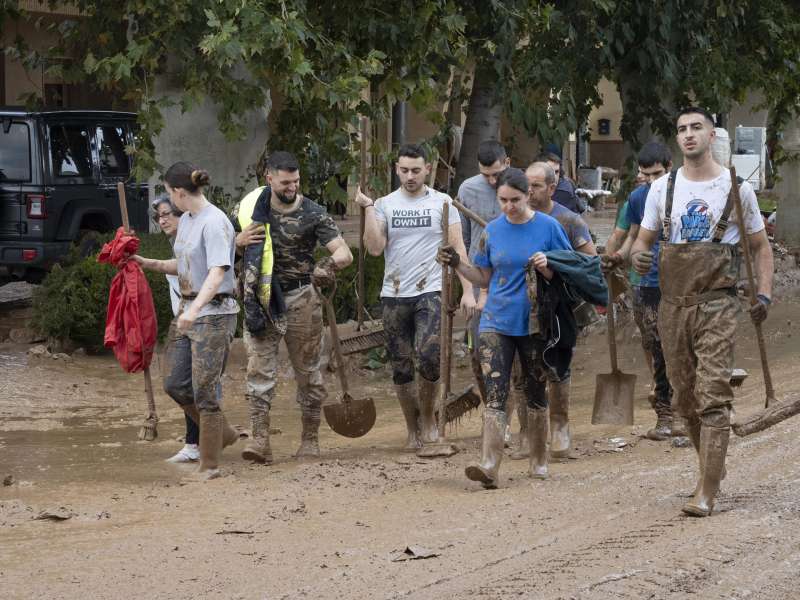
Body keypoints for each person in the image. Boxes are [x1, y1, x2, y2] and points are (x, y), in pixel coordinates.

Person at [630, 107, 774, 516]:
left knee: (713, 394)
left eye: (696, 128)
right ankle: (711, 466)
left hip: (717, 304)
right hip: (672, 306)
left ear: (711, 136)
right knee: (684, 397)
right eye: (681, 130)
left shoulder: (736, 188)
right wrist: (639, 258)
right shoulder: (663, 189)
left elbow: (761, 248)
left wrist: (763, 295)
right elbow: (642, 243)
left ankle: (706, 489)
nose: (688, 135)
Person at [437, 168, 573, 488]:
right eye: (503, 200)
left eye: (515, 200)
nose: (509, 206)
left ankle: (538, 457)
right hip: (495, 320)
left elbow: (571, 270)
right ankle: (489, 465)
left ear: (528, 196)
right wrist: (458, 265)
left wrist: (548, 267)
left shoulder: (549, 227)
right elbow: (483, 277)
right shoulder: (493, 231)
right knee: (496, 393)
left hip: (535, 322)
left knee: (534, 390)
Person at [235, 151, 353, 462]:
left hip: (302, 299)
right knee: (259, 370)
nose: (292, 187)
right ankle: (260, 441)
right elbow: (223, 250)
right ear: (269, 178)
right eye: (285, 182)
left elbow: (344, 253)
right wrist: (238, 241)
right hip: (261, 300)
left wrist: (327, 266)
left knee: (309, 372)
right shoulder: (249, 211)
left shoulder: (313, 213)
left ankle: (310, 440)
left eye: (296, 181)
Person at [356, 143, 471, 450]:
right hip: (394, 293)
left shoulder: (442, 203)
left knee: (429, 355)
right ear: (397, 169)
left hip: (430, 289)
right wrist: (368, 208)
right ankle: (413, 427)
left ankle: (430, 421)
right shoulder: (385, 204)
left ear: (427, 169)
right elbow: (375, 248)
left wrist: (469, 290)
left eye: (416, 170)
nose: (410, 176)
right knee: (400, 364)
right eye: (404, 170)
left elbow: (459, 249)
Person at [135, 163, 240, 480]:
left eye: (169, 193)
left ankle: (209, 465)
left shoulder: (215, 222)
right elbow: (182, 264)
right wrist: (147, 263)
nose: (169, 202)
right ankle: (224, 432)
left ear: (179, 192)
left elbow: (217, 272)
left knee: (205, 392)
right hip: (188, 311)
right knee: (175, 384)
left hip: (215, 315)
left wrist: (194, 311)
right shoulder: (190, 222)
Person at [502, 161, 596, 460]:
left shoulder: (568, 222)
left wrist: (554, 265)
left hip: (556, 309)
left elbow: (589, 263)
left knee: (556, 367)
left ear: (552, 188)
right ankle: (528, 432)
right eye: (525, 185)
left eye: (536, 186)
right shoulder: (510, 218)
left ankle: (559, 428)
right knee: (520, 371)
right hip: (518, 308)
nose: (528, 191)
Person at [603, 142, 678, 441]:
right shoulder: (638, 197)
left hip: (680, 280)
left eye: (656, 174)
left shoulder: (683, 193)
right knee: (654, 344)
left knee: (680, 344)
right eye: (645, 175)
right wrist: (616, 257)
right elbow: (631, 235)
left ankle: (687, 404)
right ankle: (665, 410)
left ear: (670, 167)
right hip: (645, 282)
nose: (650, 181)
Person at [457, 140, 507, 408]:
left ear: (507, 164)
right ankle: (492, 410)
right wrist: (466, 289)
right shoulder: (467, 189)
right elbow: (462, 242)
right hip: (479, 280)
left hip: (514, 280)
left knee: (513, 350)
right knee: (479, 348)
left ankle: (513, 412)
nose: (491, 181)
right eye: (485, 174)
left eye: (496, 174)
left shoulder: (518, 187)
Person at [150, 196, 198, 463]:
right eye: (159, 216)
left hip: (203, 319)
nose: (163, 220)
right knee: (180, 383)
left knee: (193, 384)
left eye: (168, 214)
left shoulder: (195, 241)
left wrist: (146, 262)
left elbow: (180, 268)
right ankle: (199, 442)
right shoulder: (177, 242)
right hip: (182, 319)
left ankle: (199, 444)